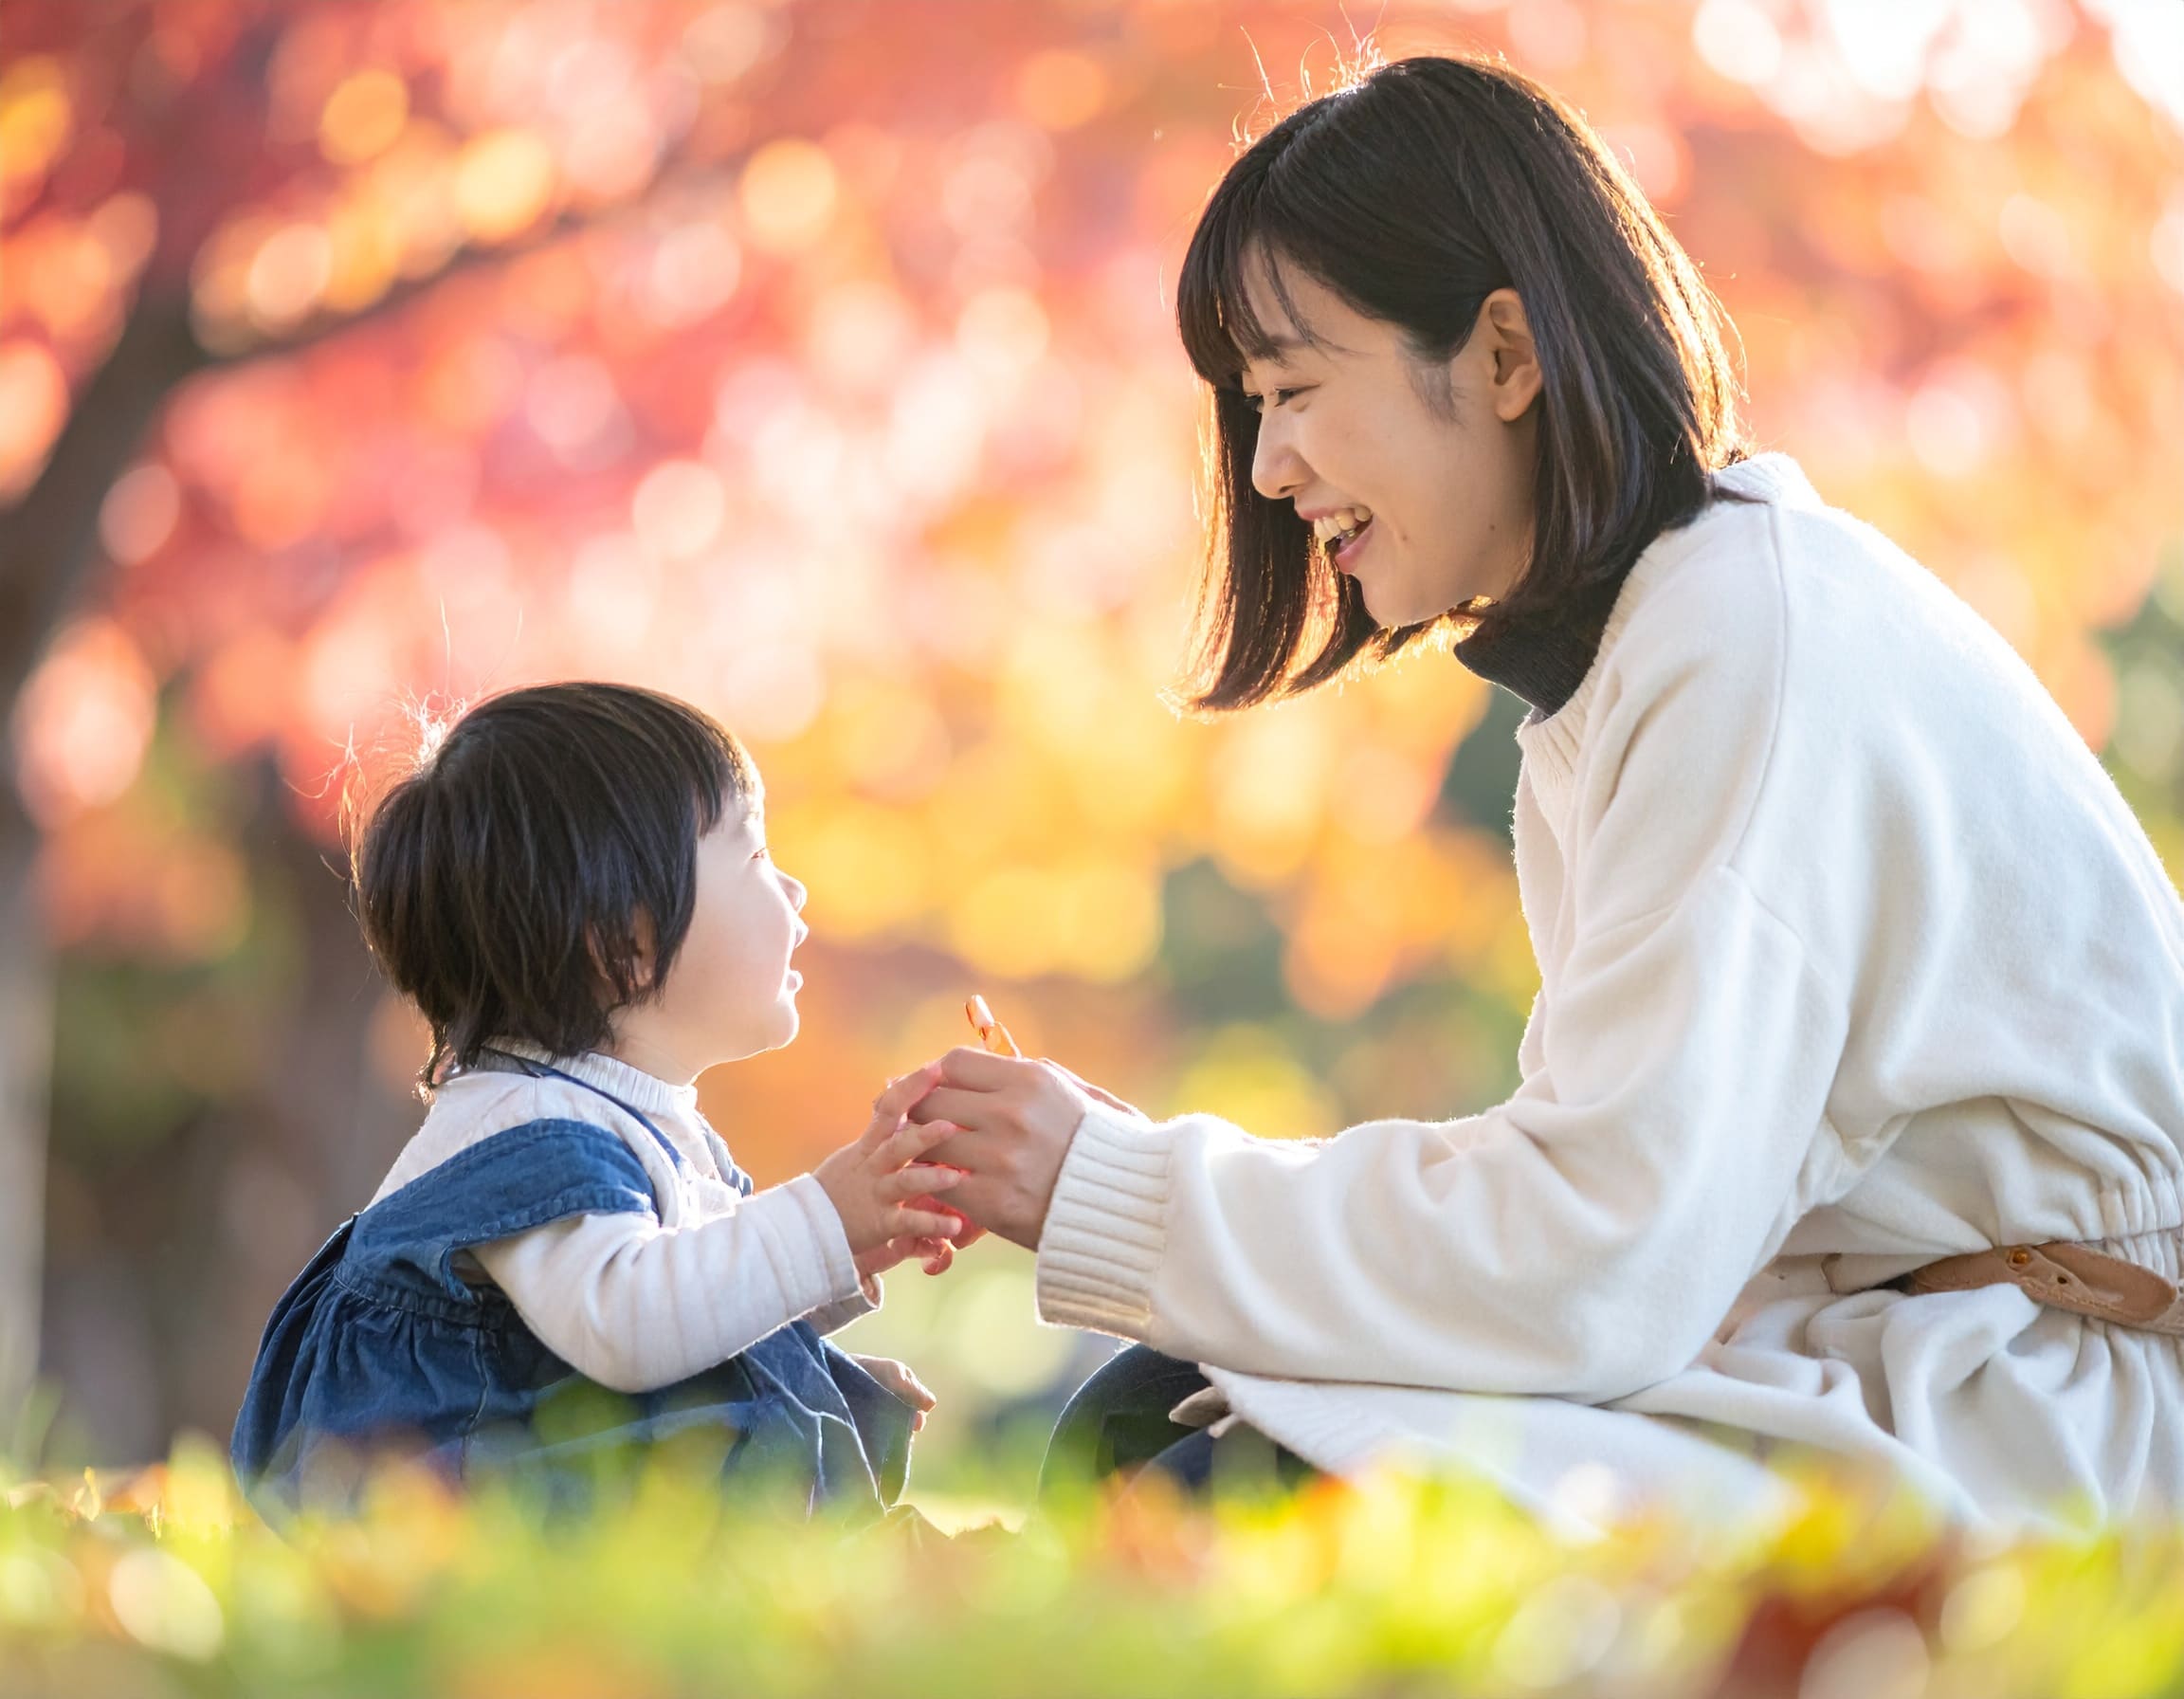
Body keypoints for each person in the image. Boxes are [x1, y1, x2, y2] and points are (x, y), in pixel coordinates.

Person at [905, 53, 2184, 1534]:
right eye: (1253, 405)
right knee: (1153, 1406)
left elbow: (1600, 1252)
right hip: (1879, 1350)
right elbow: (1606, 1202)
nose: (1266, 468)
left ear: (1505, 356)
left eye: (1298, 388)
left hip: (2039, 1407)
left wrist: (1116, 1185)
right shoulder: (1654, 653)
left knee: (1215, 1487)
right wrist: (1137, 1189)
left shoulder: (1742, 639)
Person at [231, 683, 967, 1519]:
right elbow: (630, 1325)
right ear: (625, 941)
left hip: (538, 1447)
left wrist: (857, 1242)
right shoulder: (531, 1136)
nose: (794, 892)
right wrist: (826, 1219)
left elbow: (665, 1301)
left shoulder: (622, 1118)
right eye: (755, 856)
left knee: (803, 1396)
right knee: (761, 1433)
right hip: (457, 1500)